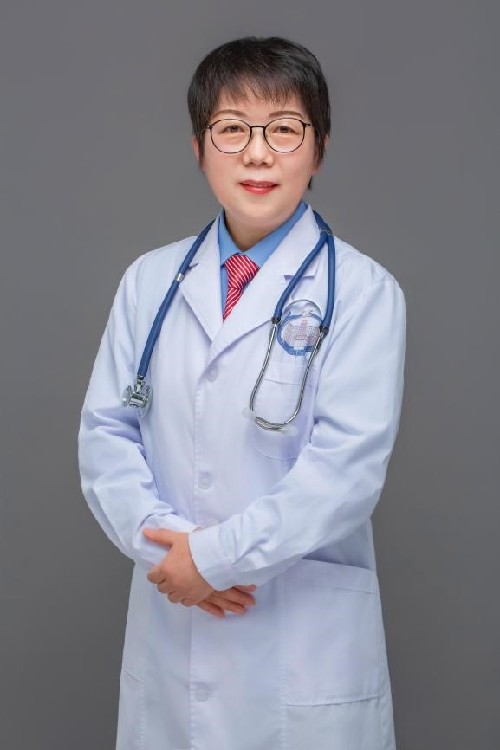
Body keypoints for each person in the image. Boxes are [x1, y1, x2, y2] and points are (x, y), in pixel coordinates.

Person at [78, 35, 406, 750]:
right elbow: (106, 434)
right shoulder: (149, 281)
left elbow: (345, 471)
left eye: (284, 129)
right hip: (174, 626)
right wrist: (166, 550)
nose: (258, 154)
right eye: (232, 129)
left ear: (319, 149)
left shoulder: (363, 291)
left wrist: (216, 558)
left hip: (300, 644)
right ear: (199, 147)